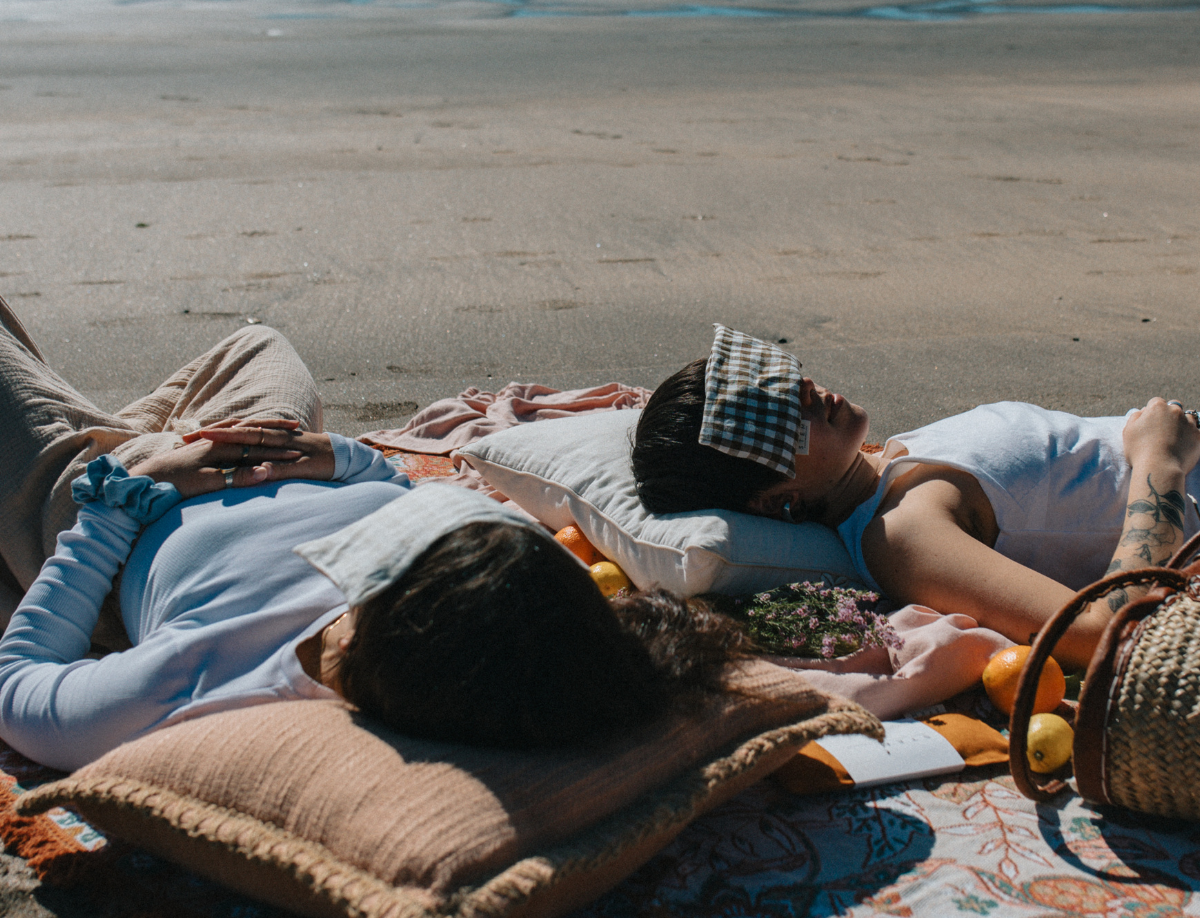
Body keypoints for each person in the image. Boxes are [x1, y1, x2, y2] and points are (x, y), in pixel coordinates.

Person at [0, 297, 748, 772]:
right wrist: (338, 458)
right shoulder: (502, 596)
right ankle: (109, 428)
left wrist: (129, 498)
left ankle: (97, 441)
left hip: (113, 504)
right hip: (272, 452)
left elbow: (20, 680)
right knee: (261, 345)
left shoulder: (193, 679)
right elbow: (397, 489)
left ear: (364, 637)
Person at [632, 325, 1200, 673]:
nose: (799, 390)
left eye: (776, 379)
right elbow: (1101, 633)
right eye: (773, 419)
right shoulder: (900, 536)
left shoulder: (887, 464)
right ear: (779, 501)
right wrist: (1161, 460)